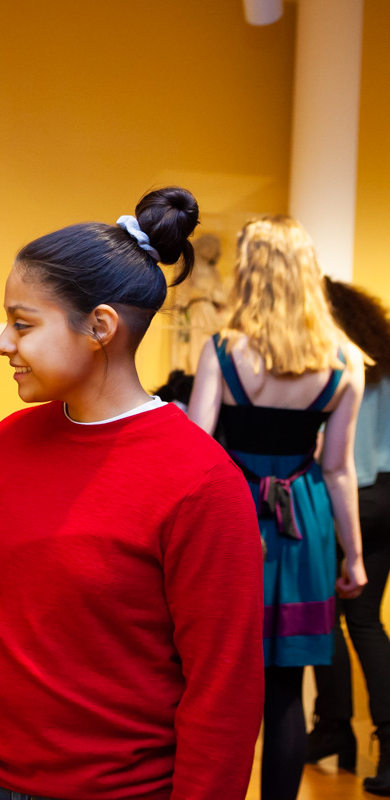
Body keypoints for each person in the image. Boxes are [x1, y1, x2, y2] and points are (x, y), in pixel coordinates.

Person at [0, 187, 265, 800]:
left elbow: (223, 693)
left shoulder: (201, 483)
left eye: (23, 324)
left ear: (100, 327)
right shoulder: (7, 444)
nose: (2, 343)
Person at [186, 216, 367, 800]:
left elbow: (196, 452)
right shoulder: (343, 362)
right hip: (304, 521)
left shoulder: (221, 351)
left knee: (214, 676)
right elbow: (339, 467)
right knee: (287, 687)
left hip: (235, 517)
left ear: (250, 274)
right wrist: (355, 559)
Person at [307, 277, 390, 795]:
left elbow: (326, 451)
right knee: (363, 621)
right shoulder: (385, 356)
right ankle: (379, 742)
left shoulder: (335, 357)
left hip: (349, 494)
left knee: (324, 617)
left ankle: (334, 728)